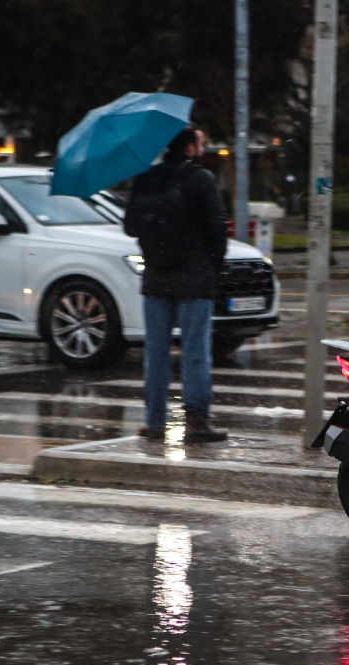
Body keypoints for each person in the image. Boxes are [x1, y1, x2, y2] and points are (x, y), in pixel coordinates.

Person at [126, 126, 229, 443]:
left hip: (156, 278)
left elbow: (130, 225)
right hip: (195, 279)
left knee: (155, 353)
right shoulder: (201, 179)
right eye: (200, 142)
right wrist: (212, 264)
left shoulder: (146, 178)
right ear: (189, 147)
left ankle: (154, 422)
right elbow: (218, 227)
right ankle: (196, 422)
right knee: (195, 352)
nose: (203, 146)